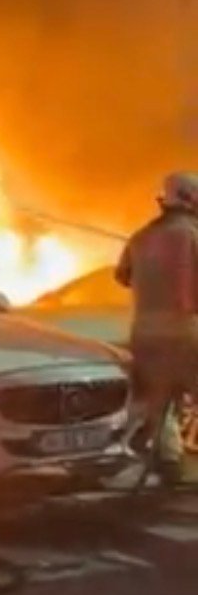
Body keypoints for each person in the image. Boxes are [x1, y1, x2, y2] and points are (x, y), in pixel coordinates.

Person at [115, 171, 198, 481]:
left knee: (159, 401)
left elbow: (122, 276)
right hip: (185, 331)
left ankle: (168, 462)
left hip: (145, 334)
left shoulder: (140, 237)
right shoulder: (193, 234)